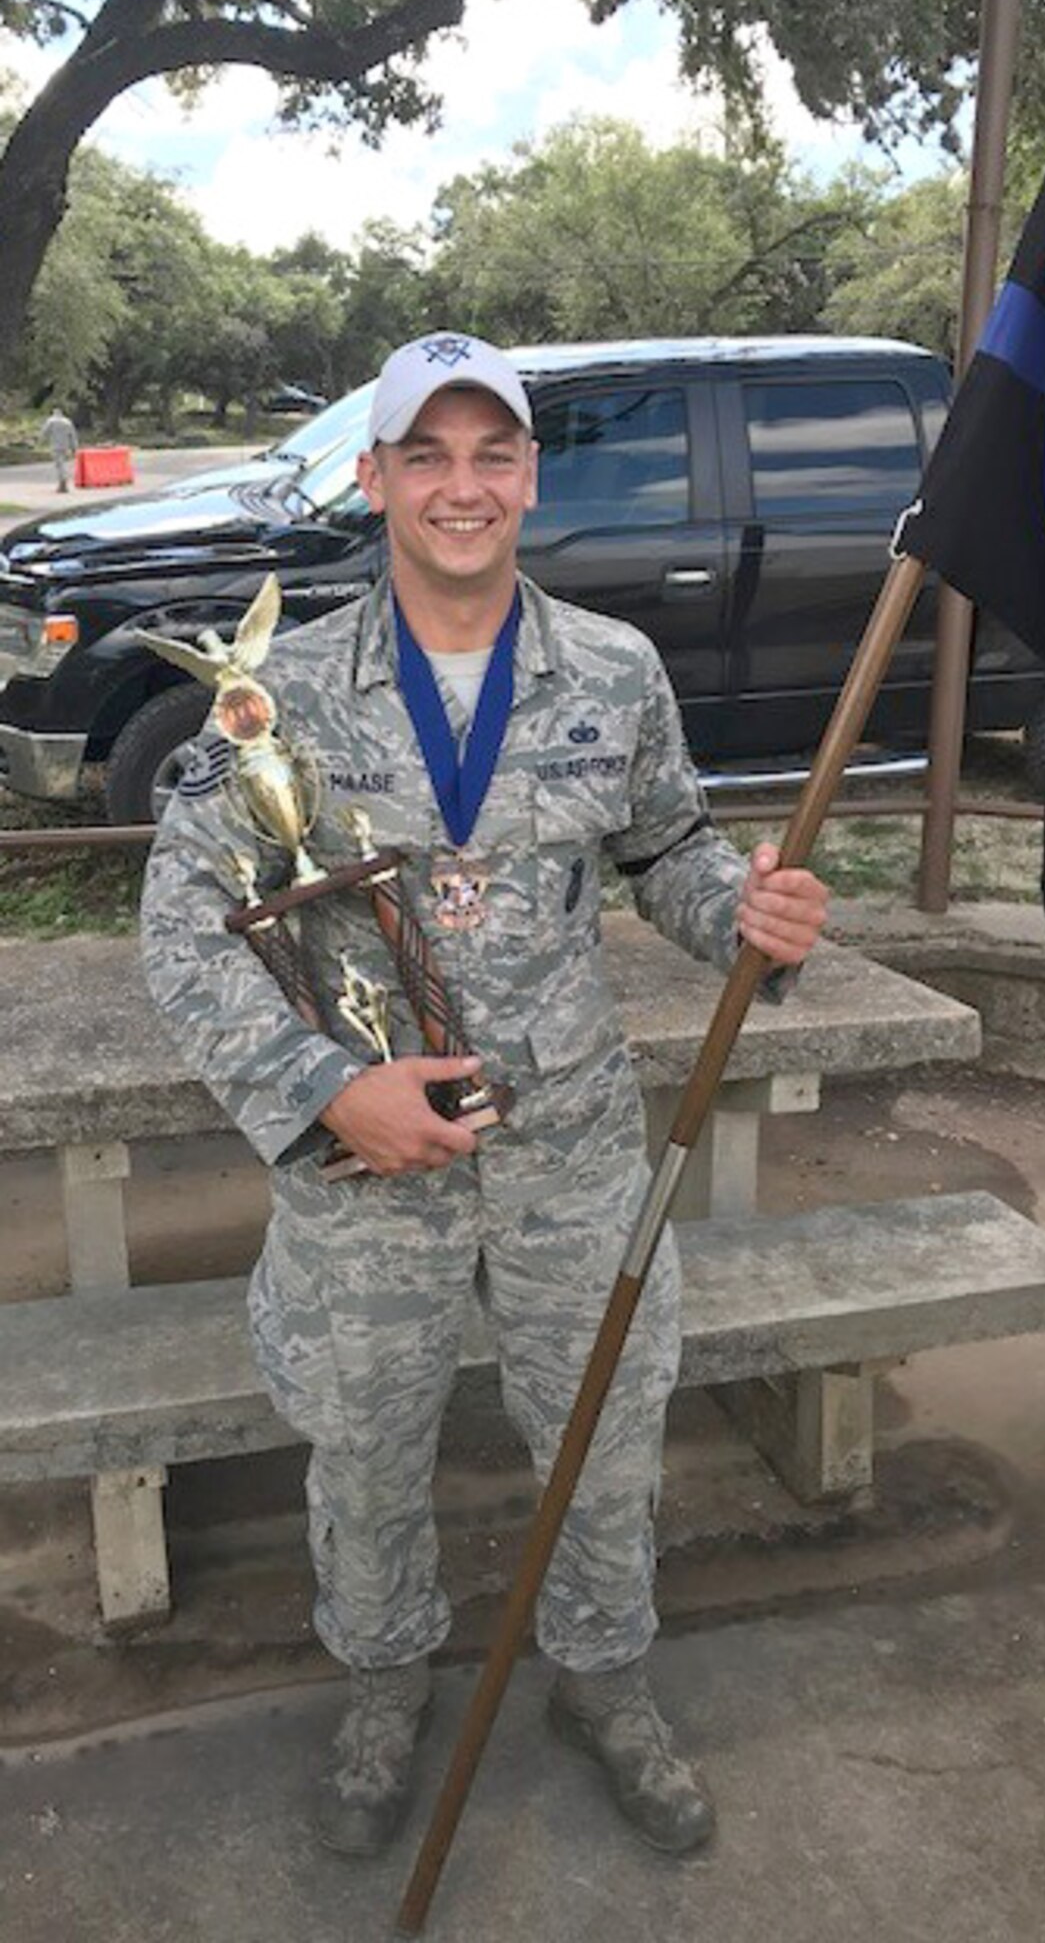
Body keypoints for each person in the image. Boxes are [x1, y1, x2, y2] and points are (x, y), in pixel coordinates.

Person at [140, 331, 828, 1861]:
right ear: (374, 478)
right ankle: (385, 1692)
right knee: (366, 1451)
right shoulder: (274, 696)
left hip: (568, 1152)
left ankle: (602, 1683)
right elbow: (182, 932)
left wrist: (743, 912)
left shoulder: (613, 668)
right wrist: (330, 1094)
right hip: (366, 1169)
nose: (461, 487)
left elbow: (664, 849)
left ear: (528, 478)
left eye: (491, 455)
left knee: (601, 1438)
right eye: (427, 456)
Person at [40, 407, 78, 493]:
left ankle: (62, 482)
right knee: (62, 463)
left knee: (59, 465)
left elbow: (44, 432)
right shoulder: (67, 421)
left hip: (55, 445)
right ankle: (63, 481)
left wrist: (41, 442)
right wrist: (74, 447)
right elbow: (72, 435)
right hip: (65, 446)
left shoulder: (51, 421)